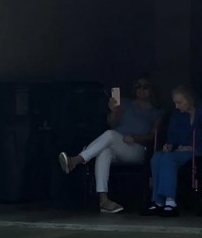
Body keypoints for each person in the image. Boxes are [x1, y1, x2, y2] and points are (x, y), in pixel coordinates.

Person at [59, 77, 161, 213]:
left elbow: (154, 135)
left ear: (152, 89)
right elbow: (112, 123)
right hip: (116, 143)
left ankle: (76, 160)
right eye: (138, 86)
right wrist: (113, 111)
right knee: (104, 151)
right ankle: (104, 200)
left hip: (138, 148)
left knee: (110, 135)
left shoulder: (156, 112)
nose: (141, 89)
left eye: (145, 86)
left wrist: (136, 138)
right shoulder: (125, 103)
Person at [145, 85, 202, 217]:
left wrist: (193, 148)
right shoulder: (177, 115)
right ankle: (158, 201)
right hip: (181, 150)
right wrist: (169, 145)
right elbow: (172, 137)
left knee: (168, 159)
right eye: (175, 102)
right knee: (157, 157)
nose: (176, 106)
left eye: (179, 102)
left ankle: (170, 201)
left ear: (189, 100)